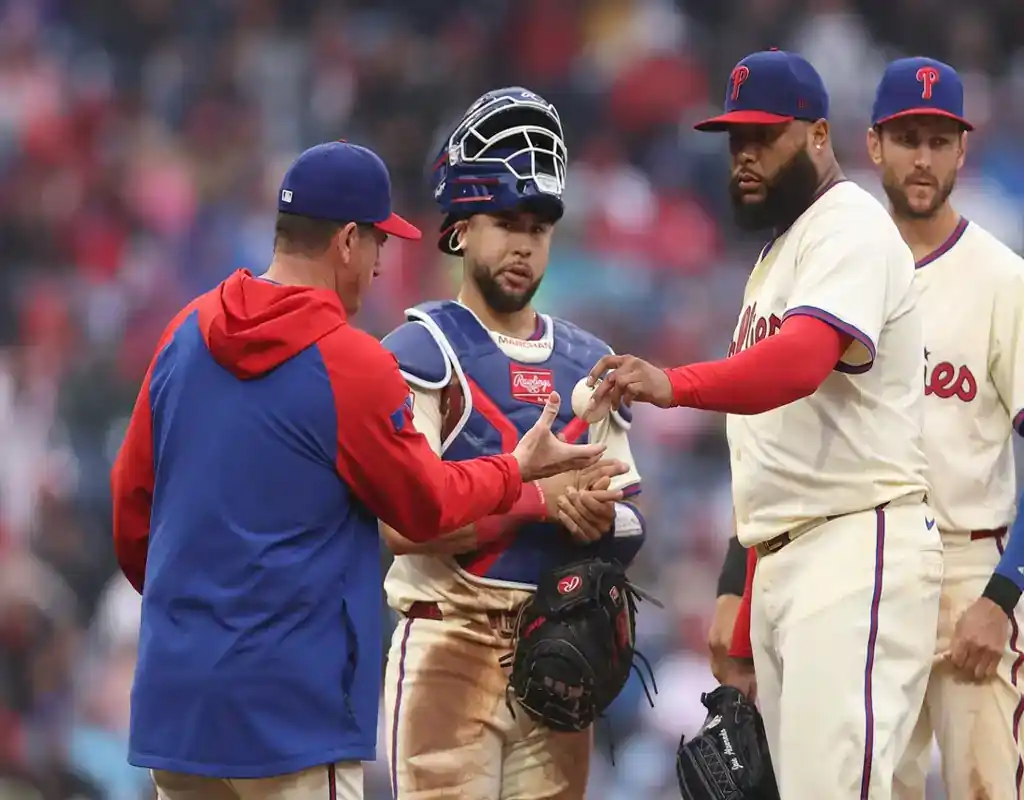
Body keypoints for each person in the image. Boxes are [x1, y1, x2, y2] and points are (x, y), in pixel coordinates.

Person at [109, 140, 606, 800]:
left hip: (177, 704)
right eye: (378, 242)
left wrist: (197, 619)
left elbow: (130, 509)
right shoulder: (349, 361)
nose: (378, 265)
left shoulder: (185, 332)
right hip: (287, 714)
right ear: (347, 240)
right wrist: (520, 474)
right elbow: (426, 506)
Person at [586, 50, 943, 800]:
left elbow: (799, 364)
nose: (745, 155)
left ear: (819, 135)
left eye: (765, 137)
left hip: (855, 546)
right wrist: (737, 591)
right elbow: (775, 451)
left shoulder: (849, 225)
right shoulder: (780, 254)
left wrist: (673, 384)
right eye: (735, 140)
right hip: (789, 555)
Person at [378, 87, 645, 799]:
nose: (524, 245)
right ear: (461, 229)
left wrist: (600, 517)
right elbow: (403, 522)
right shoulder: (420, 350)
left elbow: (631, 518)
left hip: (558, 647)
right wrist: (542, 502)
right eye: (505, 222)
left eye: (539, 227)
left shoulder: (591, 362)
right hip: (449, 641)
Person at [863, 57, 1024, 800]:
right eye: (907, 138)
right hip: (868, 564)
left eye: (938, 140)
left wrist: (1003, 594)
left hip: (969, 565)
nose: (922, 158)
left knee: (987, 789)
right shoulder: (844, 270)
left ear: (963, 149)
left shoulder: (1002, 278)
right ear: (874, 145)